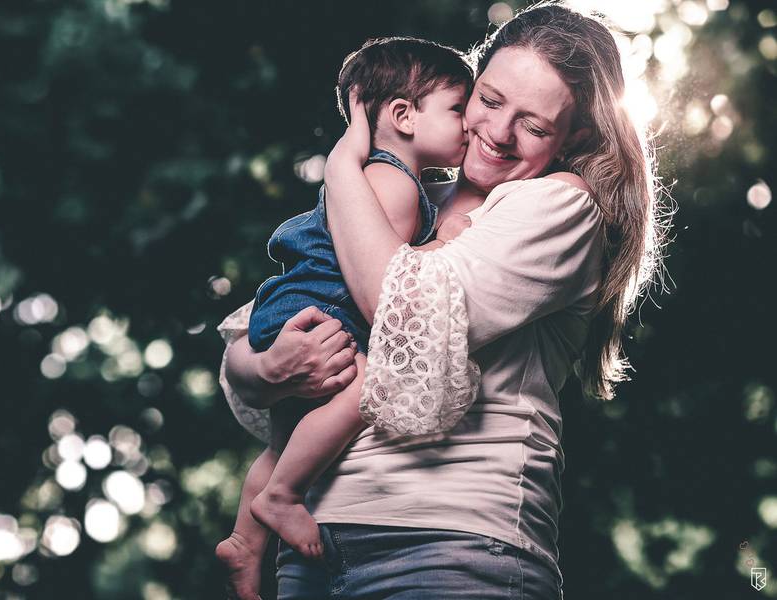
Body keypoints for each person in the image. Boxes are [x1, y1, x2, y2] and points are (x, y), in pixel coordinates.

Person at [219, 2, 669, 598]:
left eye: (534, 126)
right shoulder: (409, 193)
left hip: (448, 543)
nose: (499, 133)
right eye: (488, 101)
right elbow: (270, 320)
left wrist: (342, 167)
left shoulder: (559, 206)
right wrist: (267, 366)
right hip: (312, 547)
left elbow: (400, 309)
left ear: (575, 136)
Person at [215, 37, 479, 600]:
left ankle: (245, 542)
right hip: (320, 313)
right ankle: (282, 497)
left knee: (288, 440)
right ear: (404, 116)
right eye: (458, 108)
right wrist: (437, 247)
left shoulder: (376, 177)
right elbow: (379, 275)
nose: (469, 121)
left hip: (285, 310)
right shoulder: (395, 183)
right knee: (368, 384)